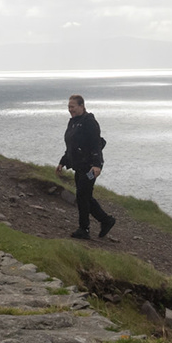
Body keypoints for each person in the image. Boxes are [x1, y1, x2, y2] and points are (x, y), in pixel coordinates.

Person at [60, 95, 114, 239]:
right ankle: (106, 220)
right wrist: (63, 161)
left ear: (82, 106)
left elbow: (96, 144)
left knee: (82, 196)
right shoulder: (73, 122)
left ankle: (84, 229)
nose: (70, 109)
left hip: (90, 167)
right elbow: (71, 145)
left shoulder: (89, 122)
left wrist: (97, 165)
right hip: (79, 166)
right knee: (85, 196)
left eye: (73, 106)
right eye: (69, 107)